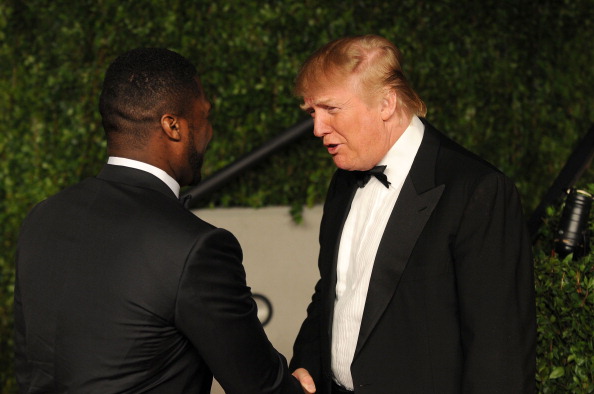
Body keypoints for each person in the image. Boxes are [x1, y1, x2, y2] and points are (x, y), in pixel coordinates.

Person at [14, 47, 315, 394]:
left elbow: (32, 368)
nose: (209, 133)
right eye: (205, 116)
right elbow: (261, 387)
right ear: (173, 125)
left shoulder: (42, 217)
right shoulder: (194, 247)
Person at [289, 35, 536, 393]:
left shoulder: (476, 191)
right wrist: (306, 364)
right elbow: (333, 290)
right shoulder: (344, 181)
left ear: (386, 102)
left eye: (331, 109)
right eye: (313, 113)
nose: (318, 128)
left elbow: (498, 352)